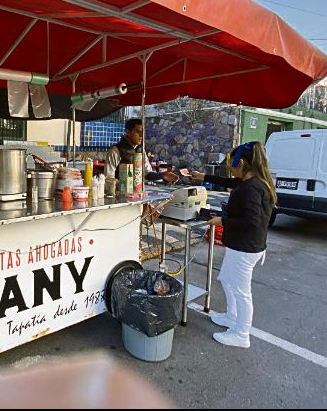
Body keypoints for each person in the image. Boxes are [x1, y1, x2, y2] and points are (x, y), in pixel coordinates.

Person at [189, 141, 276, 348]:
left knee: (242, 292)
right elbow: (228, 182)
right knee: (227, 280)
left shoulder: (251, 188)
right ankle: (231, 316)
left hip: (246, 248)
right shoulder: (251, 182)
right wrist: (203, 177)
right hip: (245, 245)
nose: (231, 168)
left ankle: (242, 334)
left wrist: (222, 221)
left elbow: (252, 221)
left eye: (233, 164)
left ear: (243, 163)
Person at [104, 119, 179, 184]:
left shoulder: (141, 150)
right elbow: (108, 178)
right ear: (127, 132)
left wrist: (163, 175)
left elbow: (147, 173)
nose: (141, 135)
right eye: (138, 132)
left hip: (137, 193)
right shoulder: (115, 151)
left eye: (142, 132)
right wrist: (125, 184)